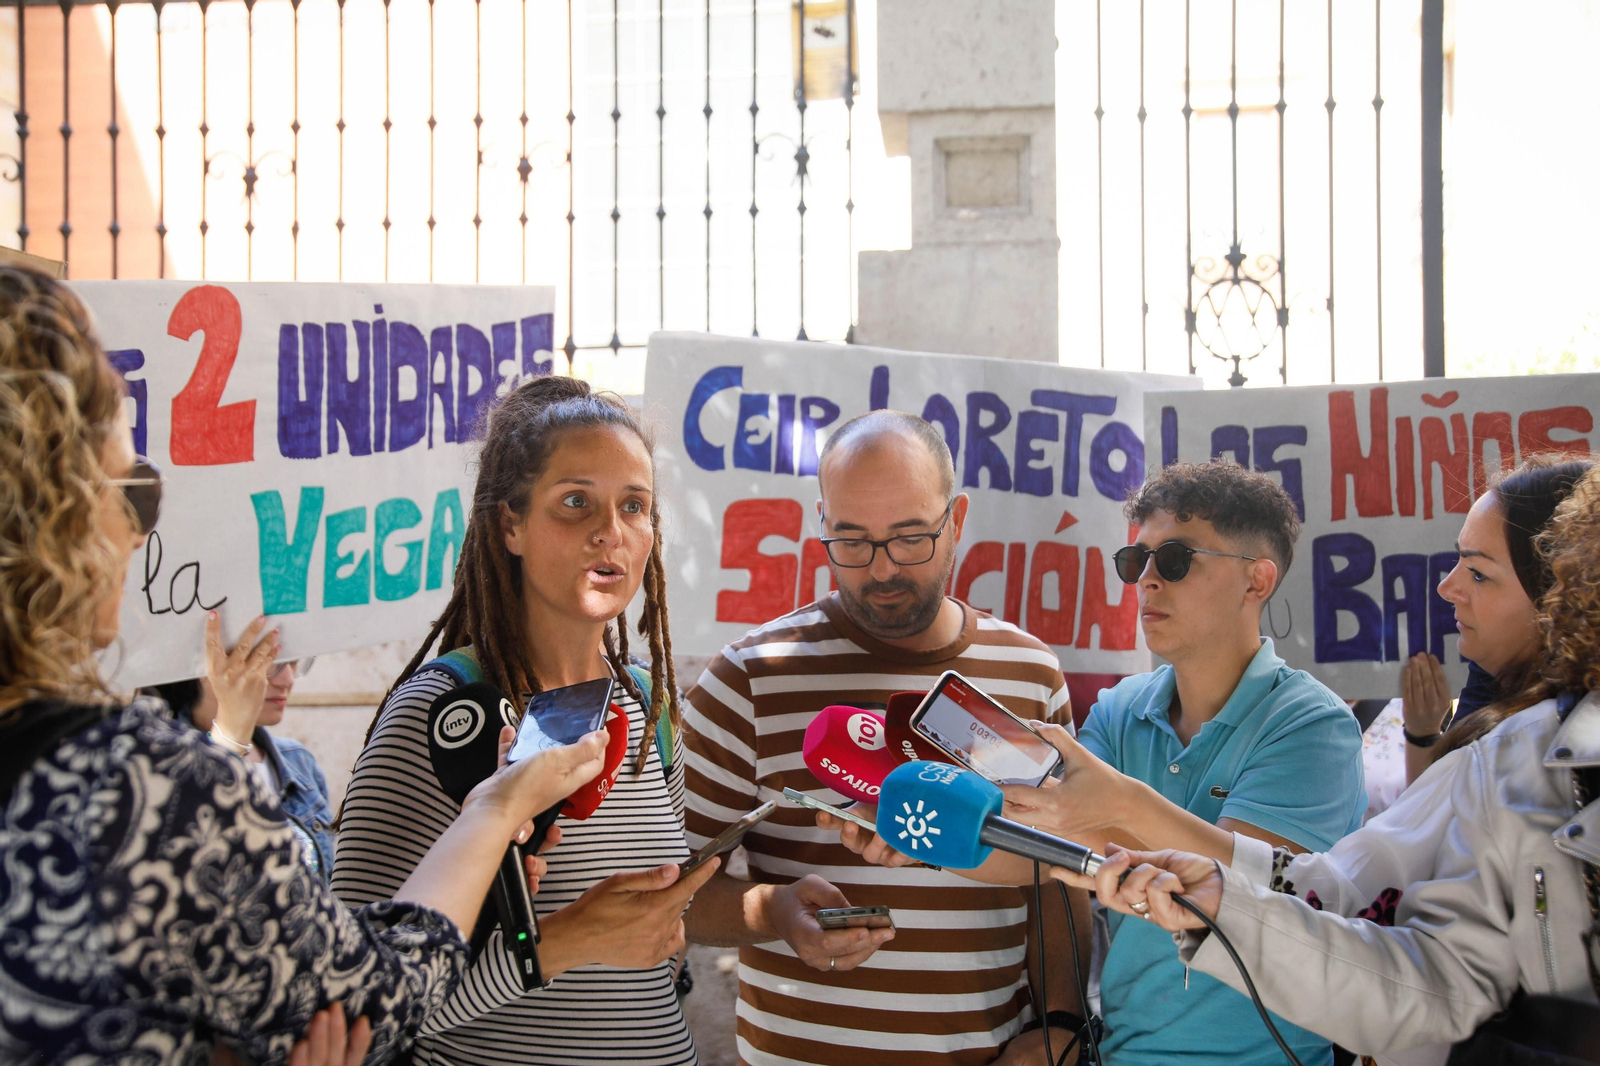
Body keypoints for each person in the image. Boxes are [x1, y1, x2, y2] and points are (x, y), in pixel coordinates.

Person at [0, 264, 608, 1063]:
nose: (142, 533)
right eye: (138, 490)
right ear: (59, 512)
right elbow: (370, 1002)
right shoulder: (137, 790)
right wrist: (495, 812)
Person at [1059, 460, 1600, 1061]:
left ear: (1564, 588)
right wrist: (1219, 895)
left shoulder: (1317, 721)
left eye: (1478, 571)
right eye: (1136, 562)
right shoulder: (1505, 752)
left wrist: (1128, 816)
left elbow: (1380, 938)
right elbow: (1348, 900)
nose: (1448, 586)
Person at [682, 410, 1085, 1066]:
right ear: (822, 526)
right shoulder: (748, 678)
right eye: (852, 540)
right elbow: (672, 892)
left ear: (956, 522)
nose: (882, 570)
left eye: (909, 538)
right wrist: (775, 912)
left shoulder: (1031, 674)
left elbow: (1061, 875)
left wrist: (1062, 1024)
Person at [334, 375, 717, 1066]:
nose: (612, 532)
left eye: (635, 506)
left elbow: (655, 942)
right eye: (576, 502)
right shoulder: (440, 714)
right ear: (510, 524)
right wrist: (561, 945)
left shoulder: (650, 705)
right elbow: (353, 1011)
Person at [972, 459, 1368, 1066]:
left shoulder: (1314, 725)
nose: (1147, 581)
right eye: (1137, 562)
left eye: (1176, 560)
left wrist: (1113, 808)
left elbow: (1229, 894)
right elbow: (1038, 851)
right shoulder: (1119, 709)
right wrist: (918, 831)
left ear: (1257, 581)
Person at [1395, 457, 1594, 783]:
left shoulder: (1524, 756)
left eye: (1478, 574)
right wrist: (1423, 733)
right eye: (1459, 558)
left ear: (1560, 596)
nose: (1445, 588)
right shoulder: (1491, 677)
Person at [150, 621, 335, 880]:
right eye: (269, 659)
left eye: (295, 662)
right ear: (206, 664)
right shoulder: (156, 762)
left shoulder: (299, 762)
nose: (287, 680)